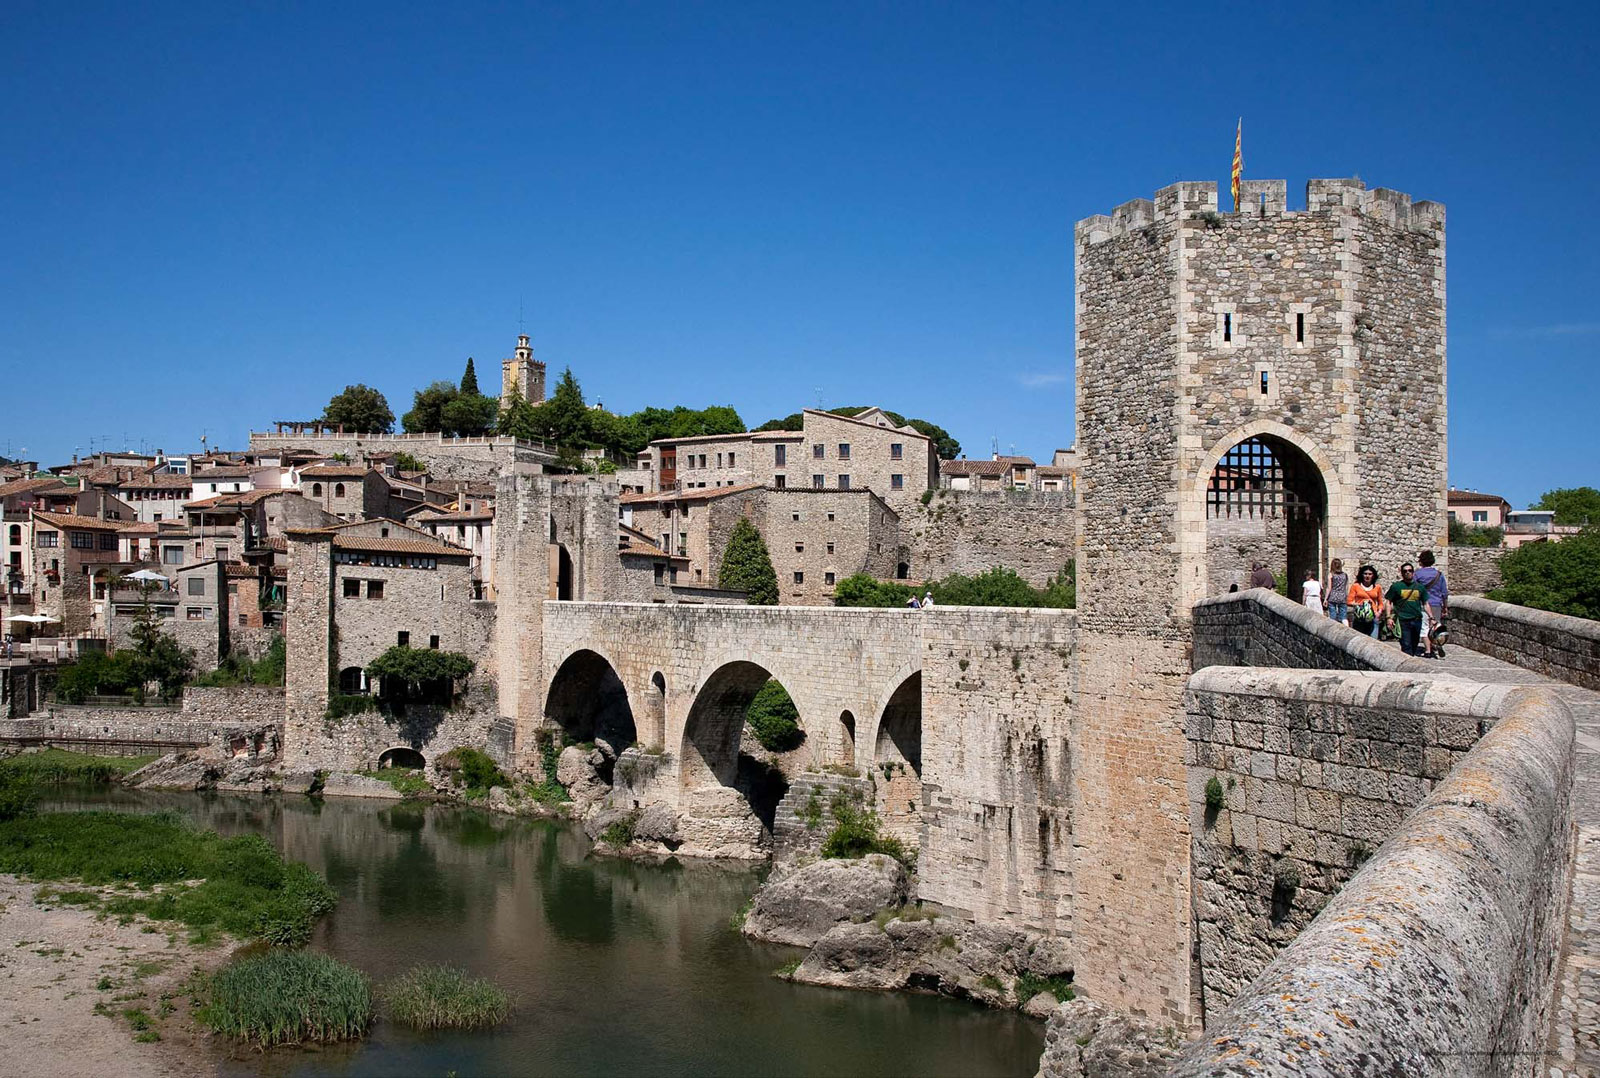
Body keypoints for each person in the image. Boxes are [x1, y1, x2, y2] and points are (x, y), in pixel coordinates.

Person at [1385, 563, 1429, 656]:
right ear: (1402, 573)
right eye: (1405, 571)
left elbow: (1426, 604)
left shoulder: (1420, 587)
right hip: (1403, 620)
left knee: (1414, 644)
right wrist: (1388, 617)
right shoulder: (1396, 586)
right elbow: (1388, 602)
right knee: (1406, 645)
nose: (1407, 573)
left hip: (1417, 619)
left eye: (1409, 571)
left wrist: (1431, 618)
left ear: (1413, 572)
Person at [1412, 550, 1449, 658]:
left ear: (1421, 561)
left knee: (1424, 627)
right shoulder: (1439, 574)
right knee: (1435, 626)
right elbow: (1444, 593)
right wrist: (1445, 607)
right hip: (1437, 604)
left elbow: (1413, 590)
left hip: (1423, 603)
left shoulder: (1417, 574)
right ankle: (1435, 644)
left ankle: (1428, 650)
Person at [1347, 564, 1385, 639]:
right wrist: (1358, 605)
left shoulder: (1377, 587)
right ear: (1362, 575)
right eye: (1365, 574)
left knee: (1373, 640)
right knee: (1359, 639)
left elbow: (1380, 603)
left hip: (1373, 616)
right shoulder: (1356, 586)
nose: (1367, 576)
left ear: (1373, 576)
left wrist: (1379, 612)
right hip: (1360, 617)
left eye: (1370, 574)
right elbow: (1349, 601)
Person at [1326, 558, 1350, 625]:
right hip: (1342, 596)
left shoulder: (1331, 575)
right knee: (1343, 616)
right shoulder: (1345, 575)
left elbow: (1329, 588)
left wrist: (1325, 599)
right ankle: (1346, 628)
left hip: (1333, 596)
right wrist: (1346, 595)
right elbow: (1346, 587)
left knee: (1333, 615)